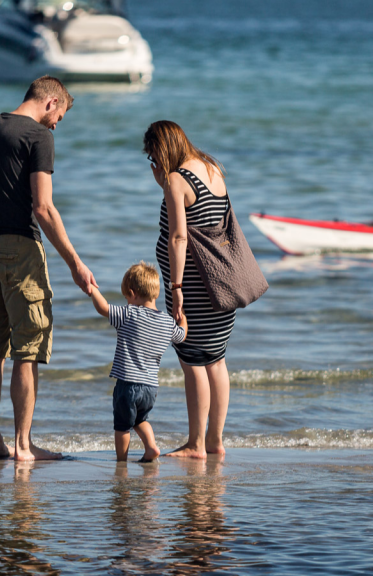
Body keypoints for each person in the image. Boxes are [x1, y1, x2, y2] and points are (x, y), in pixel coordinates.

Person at [0, 76, 97, 461]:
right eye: (59, 117)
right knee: (27, 350)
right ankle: (23, 446)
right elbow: (43, 208)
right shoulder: (37, 137)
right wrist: (75, 263)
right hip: (20, 250)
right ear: (50, 102)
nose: (55, 125)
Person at [143, 120, 235, 460]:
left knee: (192, 361)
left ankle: (196, 444)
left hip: (193, 286)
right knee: (217, 361)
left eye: (153, 154)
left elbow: (179, 236)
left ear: (162, 148)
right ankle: (215, 440)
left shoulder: (176, 180)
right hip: (221, 284)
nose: (153, 162)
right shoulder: (212, 168)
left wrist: (176, 288)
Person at [89, 262, 187, 462]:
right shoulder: (167, 322)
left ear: (132, 294)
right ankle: (151, 447)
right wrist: (182, 317)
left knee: (122, 425)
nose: (126, 302)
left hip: (128, 385)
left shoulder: (129, 314)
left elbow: (103, 308)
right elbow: (182, 336)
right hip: (151, 388)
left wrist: (92, 290)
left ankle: (121, 461)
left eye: (126, 298)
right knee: (141, 419)